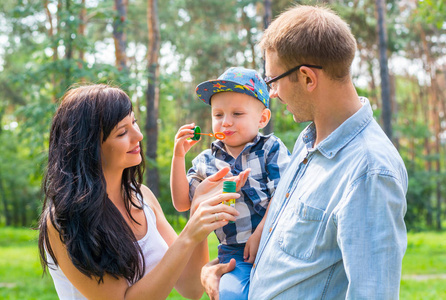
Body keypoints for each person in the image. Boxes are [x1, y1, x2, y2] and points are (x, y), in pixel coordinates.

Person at [201, 5, 408, 300]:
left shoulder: (369, 172)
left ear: (308, 78)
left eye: (272, 81)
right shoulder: (307, 142)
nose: (272, 94)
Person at [37, 84, 250, 300]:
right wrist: (188, 234)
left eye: (134, 122)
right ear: (89, 147)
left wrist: (197, 213)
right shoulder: (64, 220)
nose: (138, 136)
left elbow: (191, 288)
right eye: (122, 132)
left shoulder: (143, 196)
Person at [170, 67, 291, 299]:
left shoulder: (270, 149)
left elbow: (285, 194)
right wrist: (178, 157)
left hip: (276, 242)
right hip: (234, 255)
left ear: (262, 118)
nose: (226, 122)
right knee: (231, 295)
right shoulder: (206, 161)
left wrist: (261, 231)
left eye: (237, 114)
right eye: (218, 115)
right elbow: (182, 203)